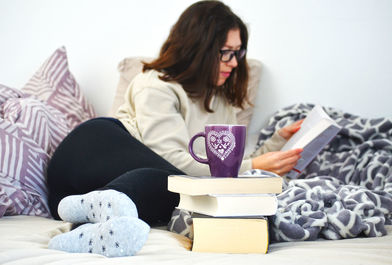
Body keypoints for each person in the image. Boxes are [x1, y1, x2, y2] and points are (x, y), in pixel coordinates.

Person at [46, 0, 303, 257]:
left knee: (179, 193)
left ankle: (85, 230)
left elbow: (228, 167)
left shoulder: (222, 102)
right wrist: (256, 165)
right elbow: (173, 160)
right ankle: (91, 212)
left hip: (116, 186)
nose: (234, 62)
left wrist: (278, 142)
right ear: (198, 49)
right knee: (176, 183)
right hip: (90, 151)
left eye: (238, 53)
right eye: (226, 52)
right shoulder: (155, 85)